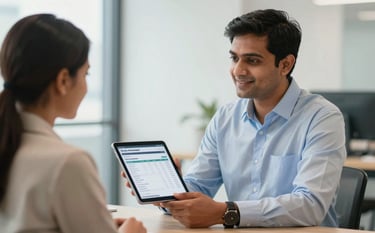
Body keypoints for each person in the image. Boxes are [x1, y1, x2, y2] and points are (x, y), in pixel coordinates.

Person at [124, 9, 346, 228]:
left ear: (285, 64)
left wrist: (227, 212)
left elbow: (310, 205)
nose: (238, 70)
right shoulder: (225, 118)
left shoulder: (322, 117)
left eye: (252, 60)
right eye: (234, 58)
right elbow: (199, 186)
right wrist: (169, 191)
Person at [0, 14, 146, 233]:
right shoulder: (68, 162)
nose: (86, 86)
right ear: (63, 81)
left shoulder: (11, 144)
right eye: (86, 73)